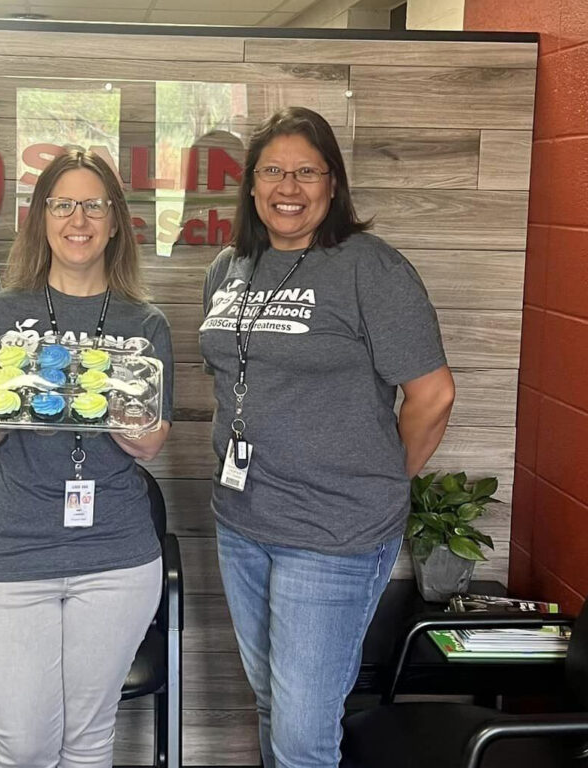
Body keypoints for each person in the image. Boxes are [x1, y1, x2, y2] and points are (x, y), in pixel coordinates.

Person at [199, 106, 455, 768]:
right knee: (271, 704)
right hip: (242, 521)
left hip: (333, 536)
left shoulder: (368, 267)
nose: (290, 187)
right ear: (251, 185)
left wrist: (378, 480)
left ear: (333, 185)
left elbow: (433, 394)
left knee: (303, 736)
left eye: (307, 171)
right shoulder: (229, 267)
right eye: (274, 170)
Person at [0, 149, 174, 768]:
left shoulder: (145, 322)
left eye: (93, 205)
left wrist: (121, 415)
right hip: (12, 548)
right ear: (41, 218)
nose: (77, 219)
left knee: (87, 741)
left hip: (116, 552)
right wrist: (5, 407)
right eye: (62, 204)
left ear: (114, 222)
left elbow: (154, 441)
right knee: (23, 743)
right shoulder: (1, 314)